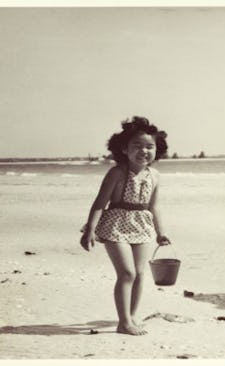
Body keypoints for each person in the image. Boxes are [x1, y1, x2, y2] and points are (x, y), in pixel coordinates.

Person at [80, 116, 171, 335]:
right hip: (115, 224)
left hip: (142, 224)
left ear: (157, 150)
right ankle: (124, 323)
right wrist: (90, 230)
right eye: (137, 146)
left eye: (150, 147)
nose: (144, 151)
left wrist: (161, 232)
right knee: (127, 273)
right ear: (124, 149)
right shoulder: (117, 172)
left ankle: (130, 317)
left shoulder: (155, 175)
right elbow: (100, 203)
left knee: (140, 274)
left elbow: (154, 207)